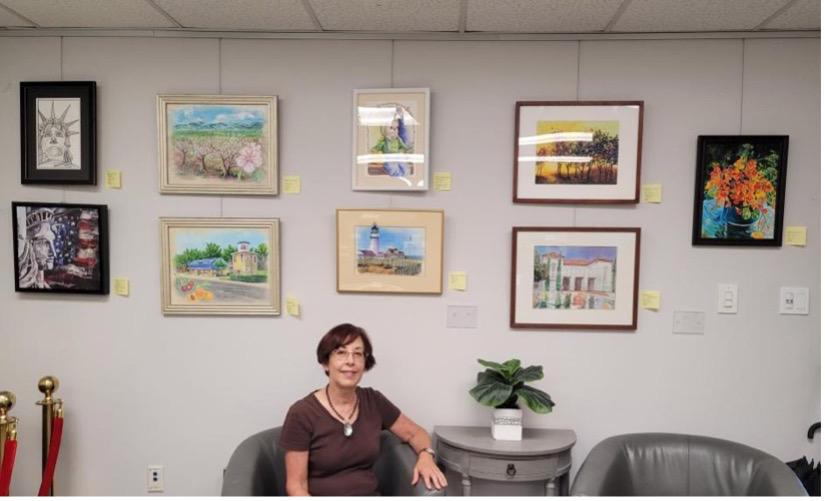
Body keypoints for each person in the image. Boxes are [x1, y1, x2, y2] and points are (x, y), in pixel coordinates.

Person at [280, 323, 447, 496]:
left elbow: (416, 433)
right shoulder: (301, 413)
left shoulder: (374, 401)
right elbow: (296, 486)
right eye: (341, 352)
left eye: (358, 354)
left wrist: (426, 455)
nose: (350, 361)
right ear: (325, 363)